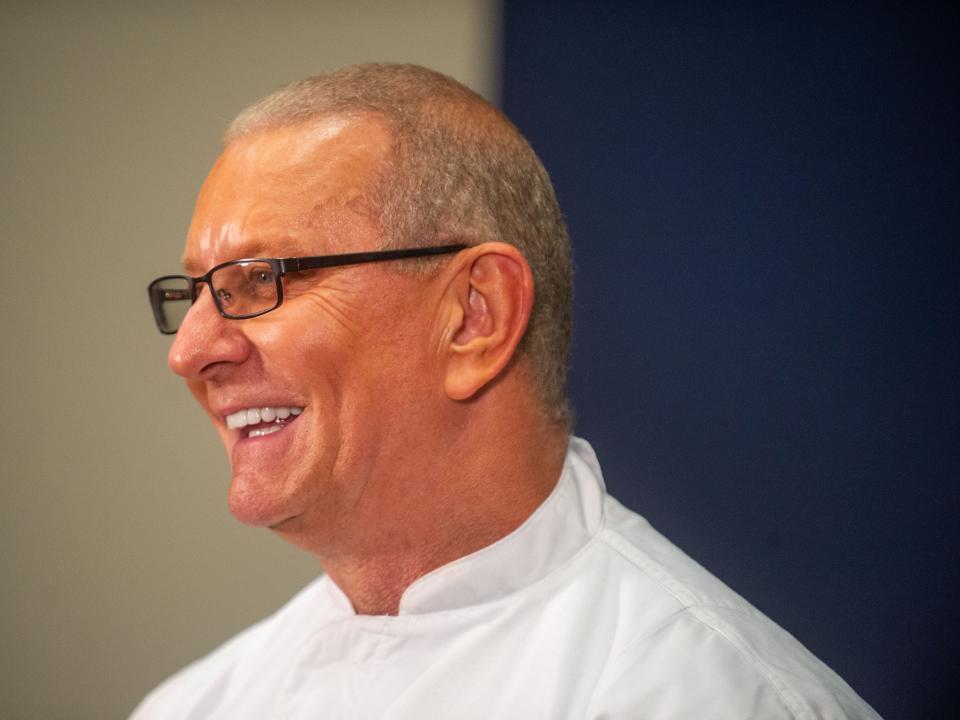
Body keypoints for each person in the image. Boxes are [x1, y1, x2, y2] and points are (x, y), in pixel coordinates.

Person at [135, 63, 879, 719]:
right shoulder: (195, 704)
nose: (191, 351)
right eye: (195, 292)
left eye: (260, 279)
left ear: (474, 316)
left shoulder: (717, 696)